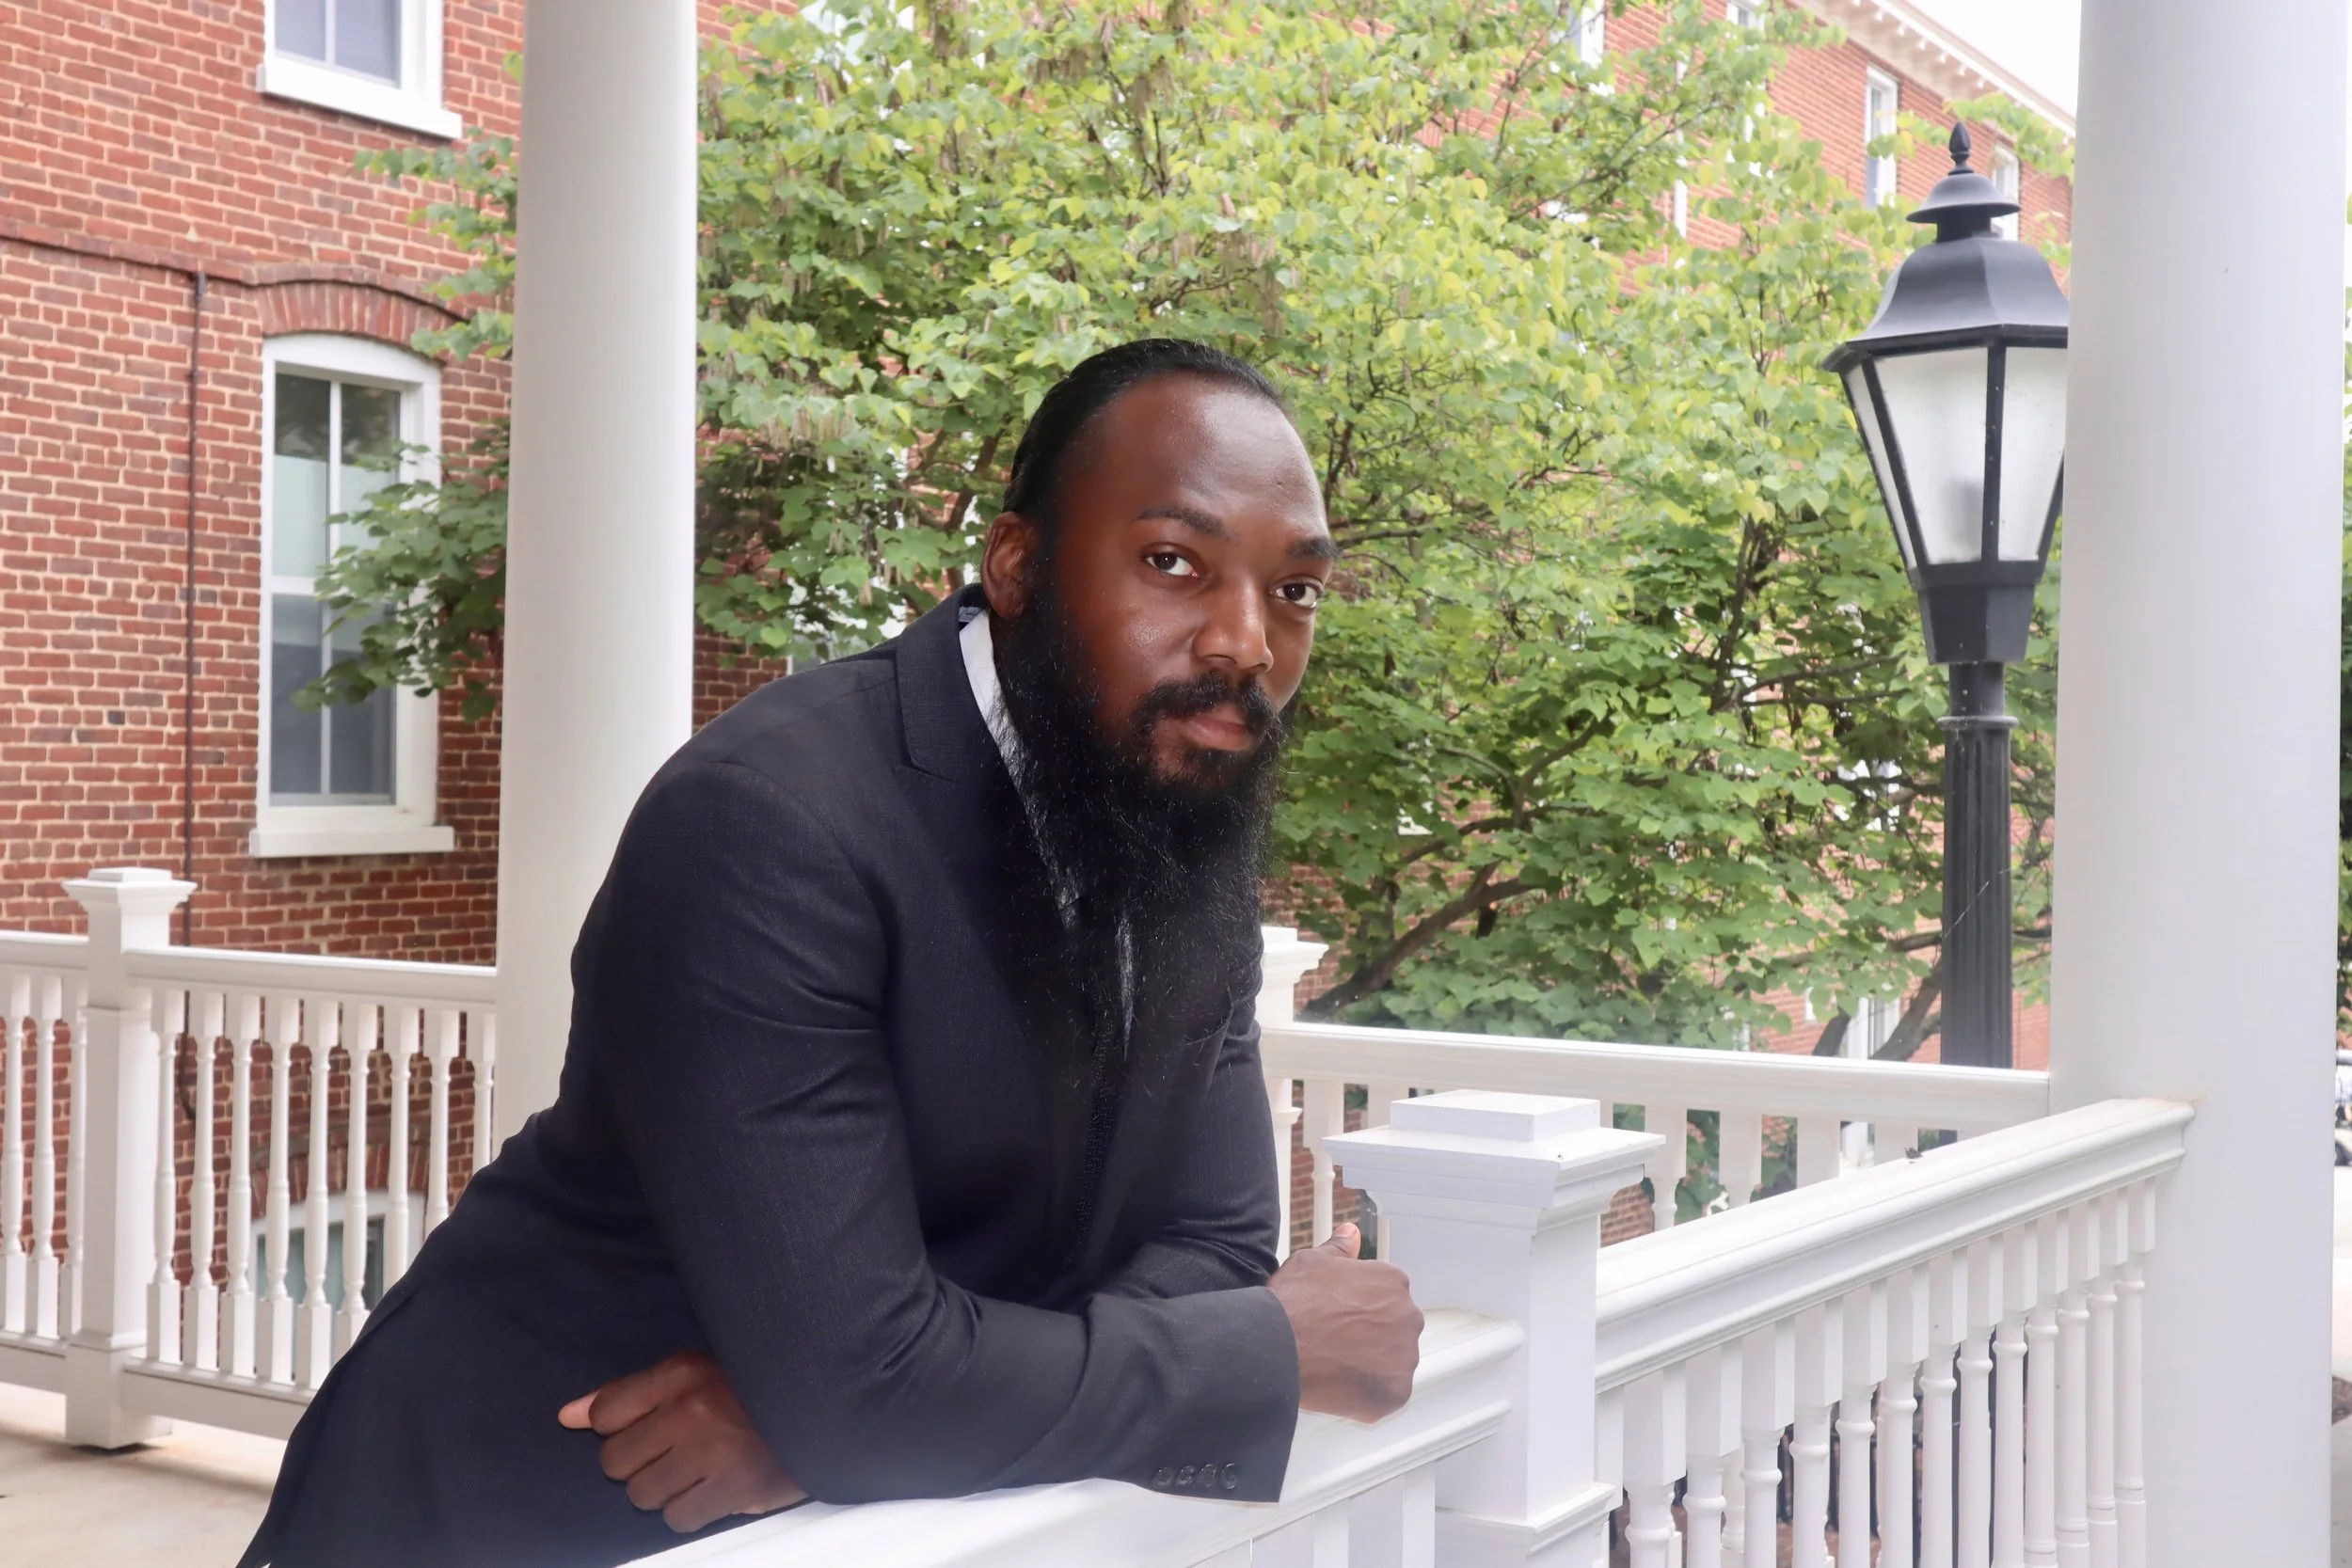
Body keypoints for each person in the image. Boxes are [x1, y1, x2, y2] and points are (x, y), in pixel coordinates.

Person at [238, 340, 1424, 1567]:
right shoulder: (772, 822)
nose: (1245, 641)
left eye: (1295, 591)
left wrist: (844, 1414)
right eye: (1174, 563)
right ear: (1016, 565)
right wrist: (1255, 1353)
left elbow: (1217, 1239)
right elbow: (888, 1377)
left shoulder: (1170, 821)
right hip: (516, 1513)